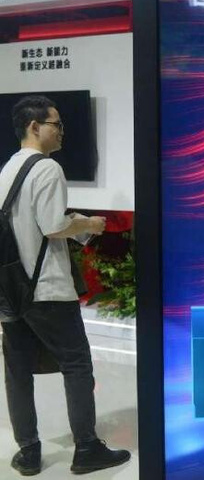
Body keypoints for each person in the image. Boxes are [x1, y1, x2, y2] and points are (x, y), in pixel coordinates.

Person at [1, 95, 130, 476]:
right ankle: (86, 448)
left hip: (10, 289)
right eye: (55, 124)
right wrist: (88, 224)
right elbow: (53, 226)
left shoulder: (8, 169)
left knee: (17, 372)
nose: (61, 131)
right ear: (34, 127)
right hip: (47, 288)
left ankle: (28, 451)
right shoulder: (47, 168)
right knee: (76, 364)